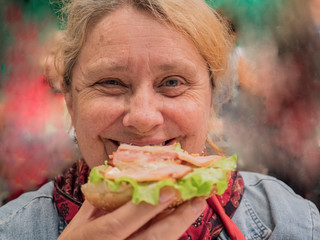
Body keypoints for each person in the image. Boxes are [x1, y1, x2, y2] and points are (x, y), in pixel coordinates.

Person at [0, 0, 319, 239]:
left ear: (211, 99)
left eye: (173, 82)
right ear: (70, 101)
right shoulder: (13, 229)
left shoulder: (291, 223)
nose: (142, 118)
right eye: (111, 82)